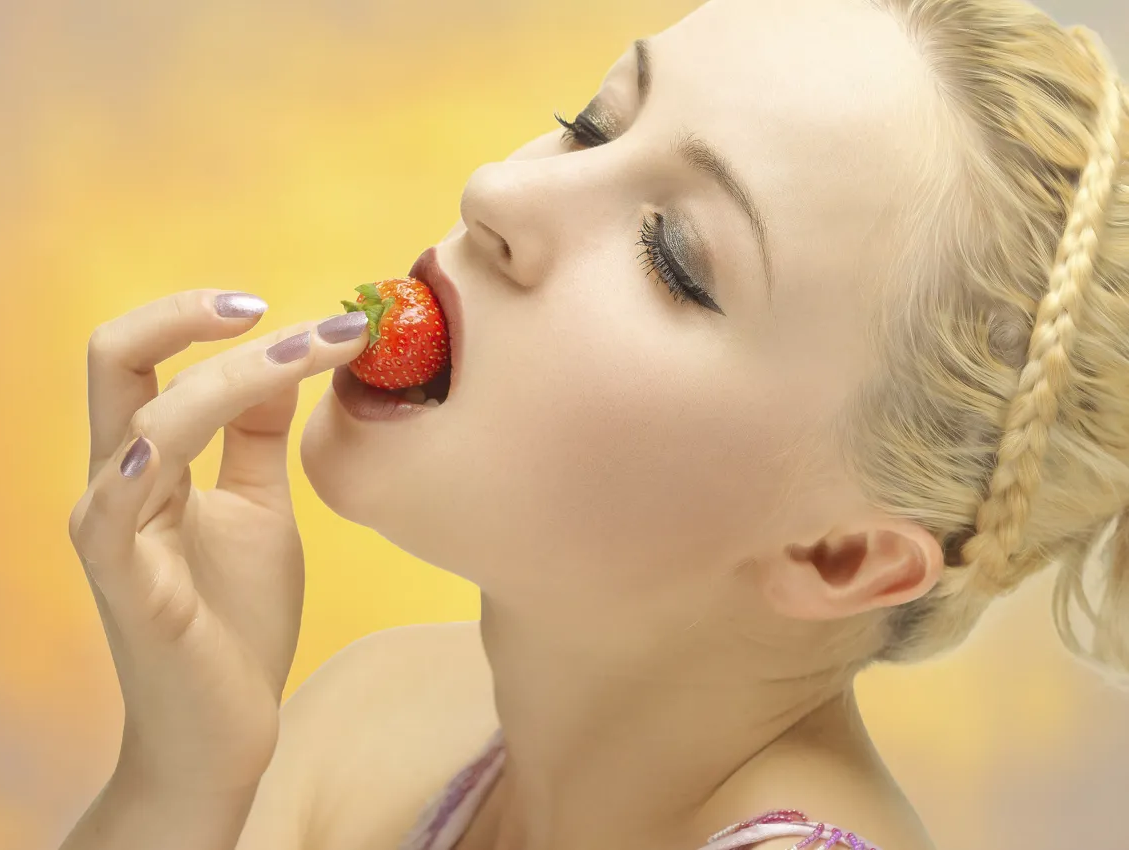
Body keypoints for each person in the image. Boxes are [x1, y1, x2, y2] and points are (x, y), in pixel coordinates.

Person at [58, 0, 1128, 847]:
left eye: (674, 257)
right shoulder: (373, 715)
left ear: (841, 555)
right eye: (594, 123)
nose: (497, 192)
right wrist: (181, 780)